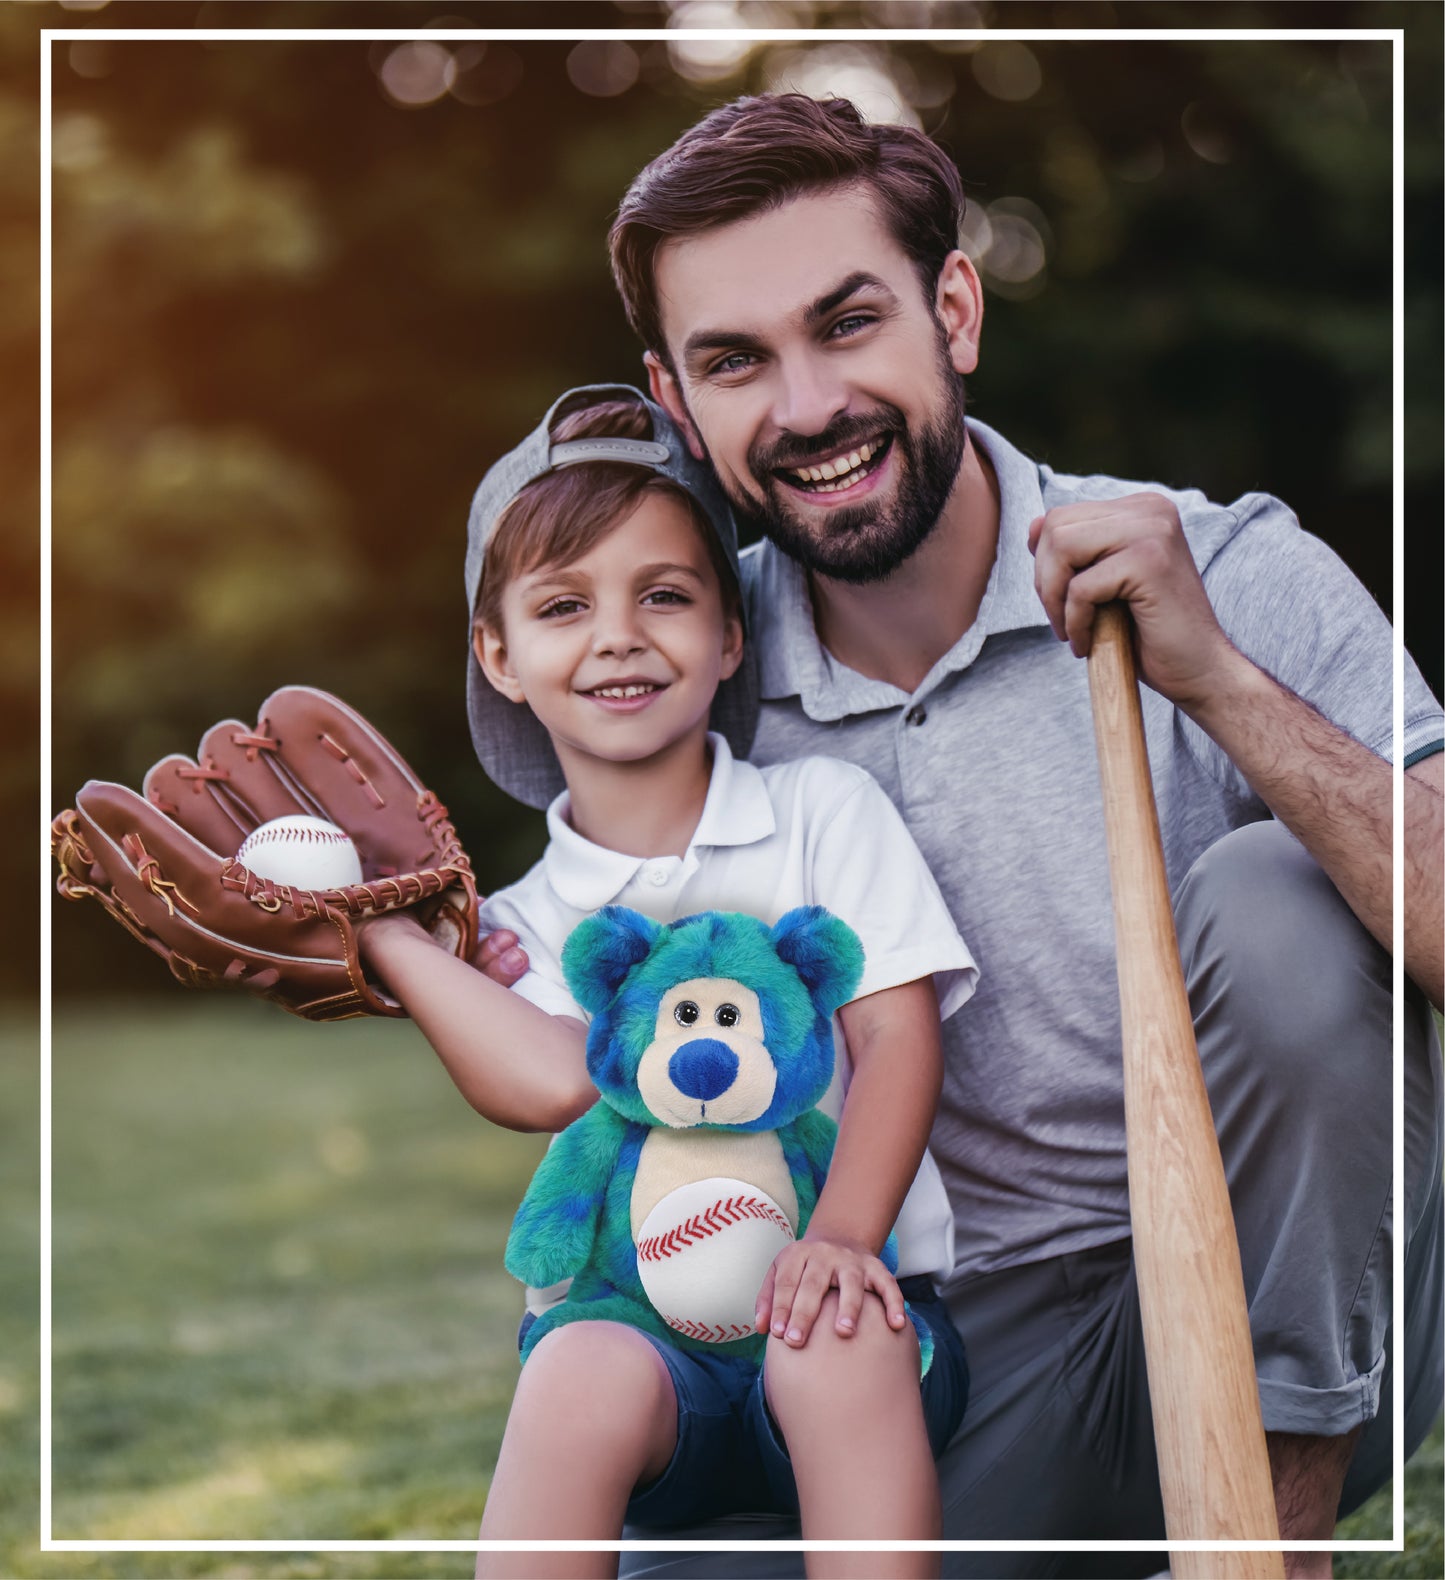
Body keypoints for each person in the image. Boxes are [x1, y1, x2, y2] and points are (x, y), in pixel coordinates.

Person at [478, 94, 1443, 1579]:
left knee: (1276, 899)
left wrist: (1219, 682)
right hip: (931, 1344)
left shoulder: (1225, 566)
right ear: (676, 402)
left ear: (954, 307)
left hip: (1289, 1301)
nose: (804, 408)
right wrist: (383, 941)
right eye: (737, 362)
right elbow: (563, 945)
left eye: (846, 323)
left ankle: (1265, 1554)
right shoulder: (683, 662)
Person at [361, 384, 976, 1579]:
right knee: (574, 1367)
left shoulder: (817, 813)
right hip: (654, 1363)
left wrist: (841, 1235)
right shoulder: (523, 923)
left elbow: (898, 1039)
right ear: (499, 653)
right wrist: (390, 938)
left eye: (664, 594)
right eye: (559, 605)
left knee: (831, 1333)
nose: (617, 635)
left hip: (861, 1317)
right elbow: (547, 1080)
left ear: (730, 631)